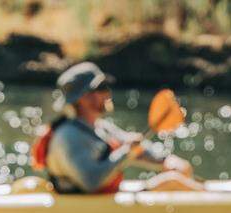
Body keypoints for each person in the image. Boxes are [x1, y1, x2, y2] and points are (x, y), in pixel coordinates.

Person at [31, 61, 202, 194]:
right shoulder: (68, 136)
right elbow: (91, 181)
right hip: (83, 208)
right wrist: (126, 152)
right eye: (102, 88)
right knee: (173, 183)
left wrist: (165, 160)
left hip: (102, 203)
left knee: (173, 179)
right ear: (84, 98)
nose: (108, 93)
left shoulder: (100, 127)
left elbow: (135, 146)